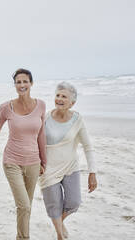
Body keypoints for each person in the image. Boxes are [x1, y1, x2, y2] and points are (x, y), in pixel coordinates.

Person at [0, 68, 47, 240]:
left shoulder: (41, 105)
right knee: (24, 205)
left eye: (25, 81)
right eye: (18, 82)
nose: (22, 85)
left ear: (31, 83)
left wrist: (44, 160)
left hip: (33, 162)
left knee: (27, 207)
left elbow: (41, 134)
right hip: (12, 161)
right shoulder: (6, 107)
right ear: (15, 85)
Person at [39, 82, 97, 240]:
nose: (59, 99)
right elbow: (34, 142)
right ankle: (60, 235)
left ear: (72, 102)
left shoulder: (77, 120)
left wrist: (93, 172)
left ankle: (59, 223)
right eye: (57, 95)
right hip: (48, 169)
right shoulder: (45, 117)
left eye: (64, 96)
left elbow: (88, 146)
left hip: (71, 167)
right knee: (54, 206)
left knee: (74, 202)